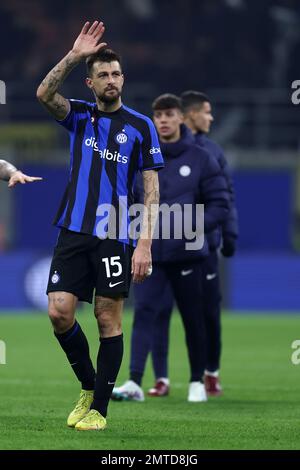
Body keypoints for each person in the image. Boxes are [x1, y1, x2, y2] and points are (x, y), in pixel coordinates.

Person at [36, 21, 164, 431]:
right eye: (103, 75)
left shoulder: (141, 126)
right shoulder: (80, 116)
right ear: (90, 82)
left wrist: (145, 245)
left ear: (123, 78)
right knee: (59, 312)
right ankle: (90, 387)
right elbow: (44, 94)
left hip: (114, 235)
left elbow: (151, 190)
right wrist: (73, 56)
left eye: (116, 74)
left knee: (108, 320)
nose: (111, 81)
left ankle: (100, 411)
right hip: (73, 231)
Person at [112, 93, 229, 402]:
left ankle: (195, 381)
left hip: (189, 254)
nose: (163, 120)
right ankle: (135, 380)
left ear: (181, 118)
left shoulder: (201, 158)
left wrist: (190, 226)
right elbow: (128, 201)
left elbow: (220, 205)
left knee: (194, 316)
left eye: (169, 114)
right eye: (158, 115)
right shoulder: (140, 158)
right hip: (149, 254)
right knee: (145, 313)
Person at [148, 91, 238, 397]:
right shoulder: (157, 151)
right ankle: (161, 378)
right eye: (207, 112)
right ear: (190, 115)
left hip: (203, 248)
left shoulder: (210, 152)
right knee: (158, 311)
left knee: (206, 313)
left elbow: (226, 197)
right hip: (166, 248)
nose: (210, 117)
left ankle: (209, 372)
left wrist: (228, 235)